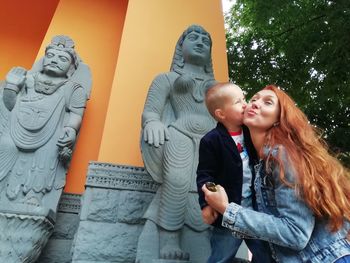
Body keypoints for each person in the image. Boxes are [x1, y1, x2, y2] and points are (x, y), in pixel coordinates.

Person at [202, 84, 350, 263]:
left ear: (279, 119)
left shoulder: (282, 155)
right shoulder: (258, 164)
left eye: (268, 102)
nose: (254, 103)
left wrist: (226, 209)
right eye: (254, 99)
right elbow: (206, 173)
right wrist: (207, 202)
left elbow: (296, 234)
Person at [136, 25, 217, 262]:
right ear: (180, 47)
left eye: (206, 40)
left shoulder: (219, 86)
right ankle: (169, 237)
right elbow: (150, 112)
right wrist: (153, 123)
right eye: (193, 37)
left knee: (211, 187)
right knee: (177, 181)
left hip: (211, 142)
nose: (201, 42)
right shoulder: (167, 79)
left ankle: (212, 230)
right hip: (179, 135)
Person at [0, 35, 91, 211]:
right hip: (16, 127)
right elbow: (10, 106)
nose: (54, 60)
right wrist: (11, 87)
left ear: (71, 68)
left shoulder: (73, 88)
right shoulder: (27, 80)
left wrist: (71, 129)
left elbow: (76, 113)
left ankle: (34, 196)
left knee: (48, 153)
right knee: (5, 145)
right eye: (50, 56)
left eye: (62, 58)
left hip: (49, 133)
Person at [197, 82, 272, 263]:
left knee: (265, 255)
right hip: (227, 212)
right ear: (221, 114)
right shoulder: (211, 140)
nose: (245, 104)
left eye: (244, 99)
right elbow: (205, 174)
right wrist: (206, 204)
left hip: (253, 209)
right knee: (221, 256)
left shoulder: (250, 130)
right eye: (238, 102)